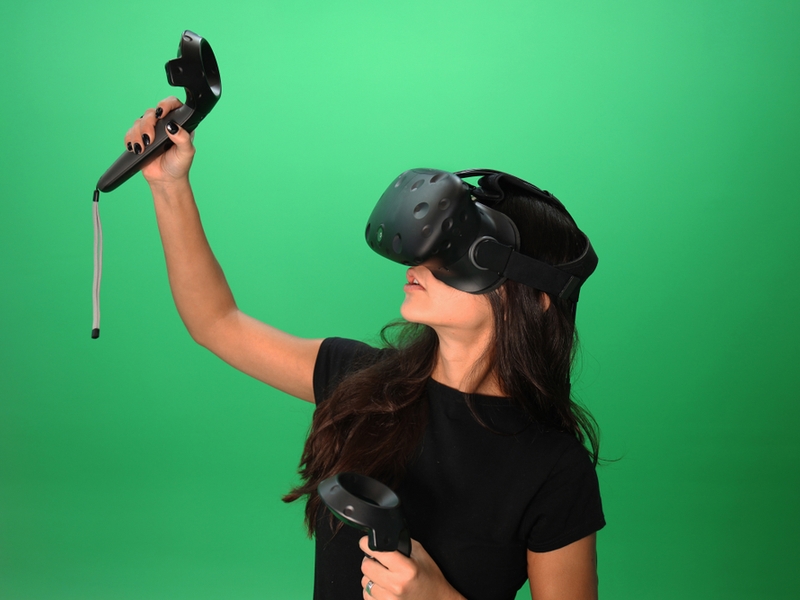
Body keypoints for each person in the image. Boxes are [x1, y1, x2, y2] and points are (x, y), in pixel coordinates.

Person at [124, 97, 605, 600]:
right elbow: (216, 323)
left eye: (457, 246)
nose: (419, 259)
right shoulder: (359, 381)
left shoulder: (553, 468)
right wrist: (168, 184)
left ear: (537, 300)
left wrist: (438, 597)